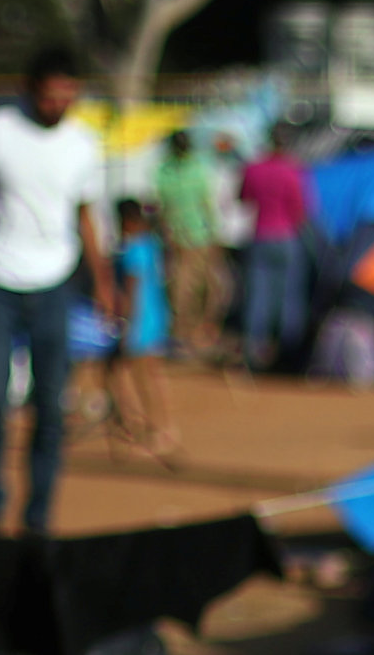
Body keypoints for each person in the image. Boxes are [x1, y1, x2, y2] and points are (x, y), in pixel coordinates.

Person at [0, 48, 116, 536]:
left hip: (55, 283)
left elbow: (87, 216)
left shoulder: (84, 144)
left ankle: (38, 515)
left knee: (51, 405)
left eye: (68, 95)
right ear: (33, 90)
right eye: (51, 95)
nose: (59, 104)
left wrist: (104, 283)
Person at [106, 197, 178, 463]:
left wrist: (126, 324)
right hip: (155, 315)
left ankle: (155, 428)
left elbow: (131, 290)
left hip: (140, 320)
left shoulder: (132, 250)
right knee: (145, 373)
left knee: (140, 376)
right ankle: (153, 425)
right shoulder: (150, 243)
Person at [236, 137, 316, 373]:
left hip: (260, 235)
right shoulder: (294, 170)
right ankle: (288, 354)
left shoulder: (253, 169)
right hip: (287, 237)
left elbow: (243, 198)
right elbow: (302, 209)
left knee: (257, 296)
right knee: (289, 297)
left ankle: (253, 353)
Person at [155, 129, 222, 363]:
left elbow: (206, 204)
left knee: (206, 287)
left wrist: (214, 235)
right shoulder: (165, 171)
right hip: (179, 239)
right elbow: (164, 207)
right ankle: (183, 337)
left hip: (199, 237)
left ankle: (198, 334)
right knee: (181, 288)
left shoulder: (196, 168)